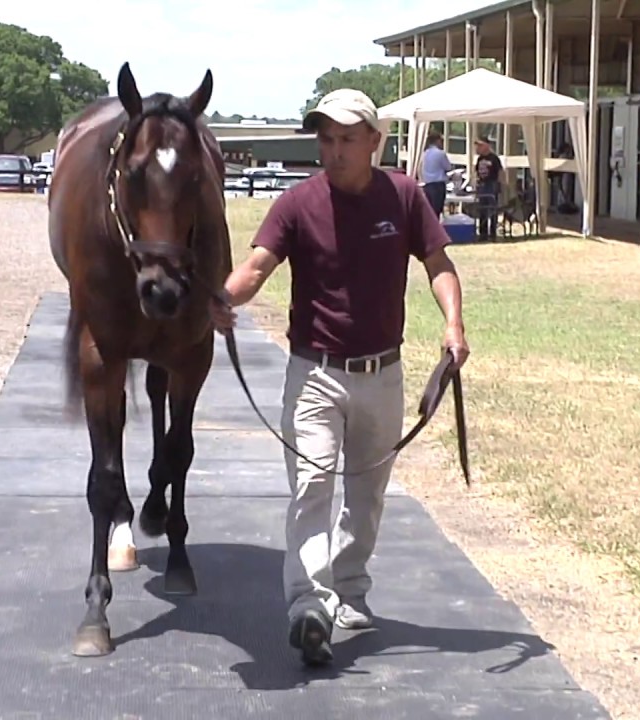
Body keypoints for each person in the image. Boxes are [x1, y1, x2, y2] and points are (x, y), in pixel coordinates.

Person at [209, 88, 470, 667]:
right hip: (315, 375)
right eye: (325, 139)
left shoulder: (403, 196)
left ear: (374, 141)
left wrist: (454, 325)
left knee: (367, 497)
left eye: (347, 139)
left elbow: (439, 264)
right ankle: (309, 605)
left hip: (383, 373)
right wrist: (218, 300)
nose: (333, 150)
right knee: (312, 486)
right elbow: (256, 266)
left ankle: (351, 589)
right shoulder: (297, 203)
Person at [473, 137, 503, 241]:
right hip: (482, 185)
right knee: (482, 209)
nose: (478, 148)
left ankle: (493, 232)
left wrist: (499, 185)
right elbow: (477, 171)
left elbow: (500, 172)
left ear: (487, 146)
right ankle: (483, 232)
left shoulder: (494, 158)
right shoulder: (479, 159)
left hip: (492, 184)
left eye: (480, 145)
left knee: (492, 209)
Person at [420, 131, 454, 217]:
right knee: (437, 210)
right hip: (438, 185)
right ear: (437, 141)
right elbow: (448, 167)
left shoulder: (425, 153)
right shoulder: (440, 153)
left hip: (427, 184)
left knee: (429, 211)